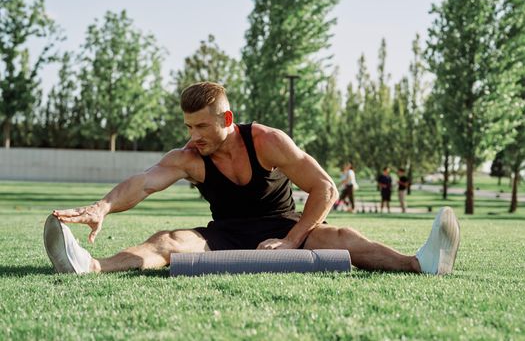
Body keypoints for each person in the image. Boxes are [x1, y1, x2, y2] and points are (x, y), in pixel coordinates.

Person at [44, 82, 460, 275]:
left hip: (283, 227)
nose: (193, 137)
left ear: (226, 118)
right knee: (166, 240)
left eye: (201, 127)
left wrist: (292, 240)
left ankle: (418, 263)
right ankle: (92, 266)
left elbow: (325, 188)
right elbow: (144, 181)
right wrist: (102, 206)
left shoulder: (266, 141)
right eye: (188, 127)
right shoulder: (190, 157)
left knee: (341, 235)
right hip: (224, 233)